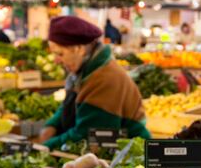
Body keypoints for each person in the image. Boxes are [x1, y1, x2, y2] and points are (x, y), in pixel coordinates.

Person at [39, 16, 150, 149]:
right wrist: (52, 125)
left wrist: (46, 146)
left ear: (79, 49)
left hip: (129, 156)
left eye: (60, 54)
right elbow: (69, 104)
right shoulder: (86, 71)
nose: (56, 60)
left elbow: (85, 135)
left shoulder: (105, 80)